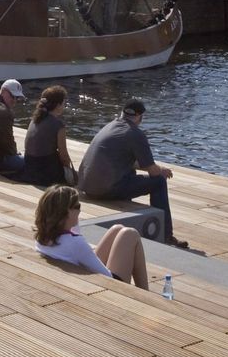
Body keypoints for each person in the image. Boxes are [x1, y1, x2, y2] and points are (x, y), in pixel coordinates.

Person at [77, 99, 185, 248]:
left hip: (87, 187)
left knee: (131, 172)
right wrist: (161, 171)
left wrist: (151, 168)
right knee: (159, 181)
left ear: (122, 112)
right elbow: (153, 171)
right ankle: (166, 235)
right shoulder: (135, 133)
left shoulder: (110, 126)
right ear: (140, 117)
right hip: (105, 190)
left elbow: (125, 160)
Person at [34, 184, 148, 288]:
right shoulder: (75, 243)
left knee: (117, 229)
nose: (79, 211)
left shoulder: (43, 238)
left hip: (80, 276)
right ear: (67, 212)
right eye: (77, 206)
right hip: (113, 288)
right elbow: (107, 276)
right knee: (130, 234)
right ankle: (145, 294)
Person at [18, 85, 74, 186]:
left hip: (29, 167)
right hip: (45, 172)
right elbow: (64, 156)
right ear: (58, 105)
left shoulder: (35, 119)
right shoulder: (59, 125)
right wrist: (70, 170)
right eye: (63, 103)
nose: (64, 106)